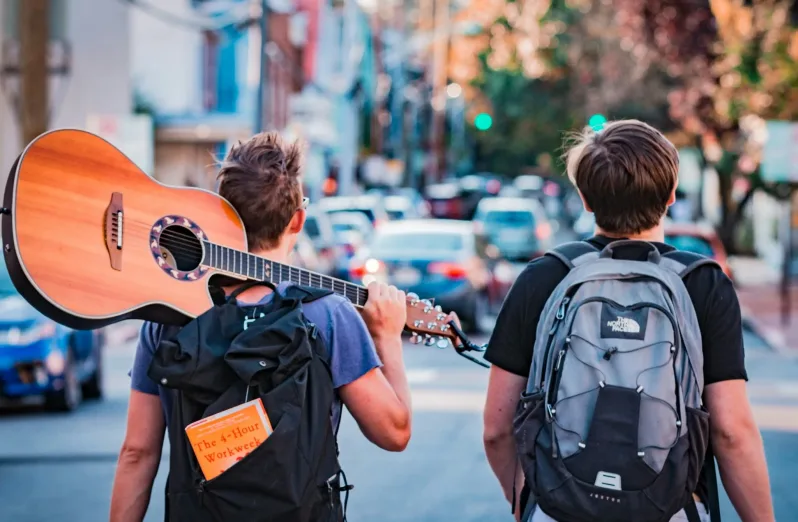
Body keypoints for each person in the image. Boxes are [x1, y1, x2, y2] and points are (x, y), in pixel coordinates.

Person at [109, 132, 429, 521]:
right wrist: (387, 338)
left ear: (219, 212)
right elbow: (394, 433)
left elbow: (138, 452)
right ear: (298, 220)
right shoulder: (327, 316)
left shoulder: (169, 315)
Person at [483, 120, 774, 522]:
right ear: (671, 195)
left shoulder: (544, 277)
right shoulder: (702, 284)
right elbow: (732, 432)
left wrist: (528, 505)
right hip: (668, 508)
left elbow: (497, 430)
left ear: (585, 199)